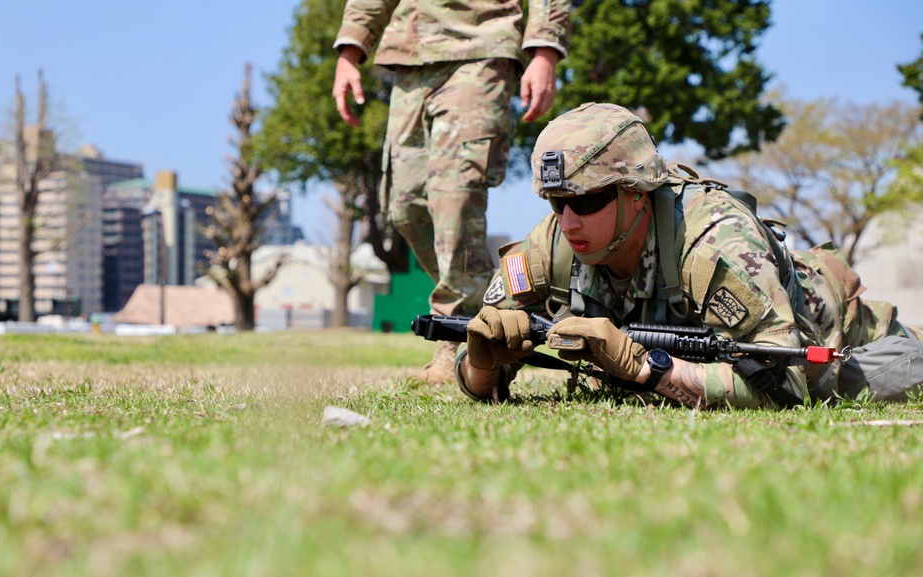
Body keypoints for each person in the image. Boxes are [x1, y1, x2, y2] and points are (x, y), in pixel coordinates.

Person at [456, 102, 923, 408]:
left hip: (843, 336)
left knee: (872, 382)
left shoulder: (713, 242)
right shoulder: (550, 245)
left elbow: (784, 386)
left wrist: (644, 368)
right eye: (556, 203)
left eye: (589, 201)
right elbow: (478, 368)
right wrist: (481, 364)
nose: (569, 220)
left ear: (638, 193)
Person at [333, 0, 572, 383]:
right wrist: (351, 48)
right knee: (404, 206)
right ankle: (497, 302)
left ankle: (457, 337)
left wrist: (545, 49)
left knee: (455, 199)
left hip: (481, 46)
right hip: (410, 55)